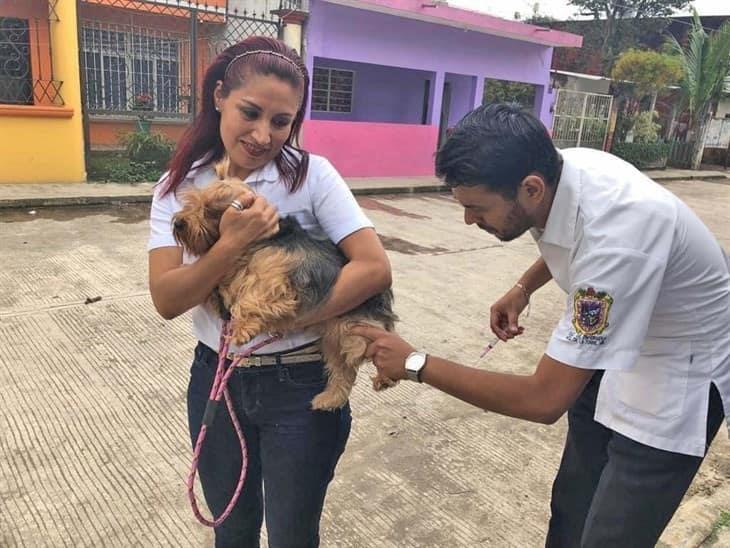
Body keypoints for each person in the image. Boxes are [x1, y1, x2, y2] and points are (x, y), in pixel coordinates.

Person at [353, 103, 729, 547]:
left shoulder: (620, 236)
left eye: (477, 208)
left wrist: (416, 363)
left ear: (531, 188)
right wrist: (524, 287)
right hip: (621, 339)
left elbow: (544, 399)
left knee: (613, 534)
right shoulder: (562, 171)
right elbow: (570, 237)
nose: (469, 221)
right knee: (572, 504)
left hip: (675, 371)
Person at [147, 36, 392, 548]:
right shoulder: (179, 188)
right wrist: (229, 245)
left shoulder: (310, 176)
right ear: (219, 96)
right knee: (231, 532)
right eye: (250, 113)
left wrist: (286, 321)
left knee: (291, 535)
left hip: (301, 386)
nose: (263, 135)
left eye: (281, 122)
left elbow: (372, 269)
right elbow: (167, 299)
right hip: (215, 376)